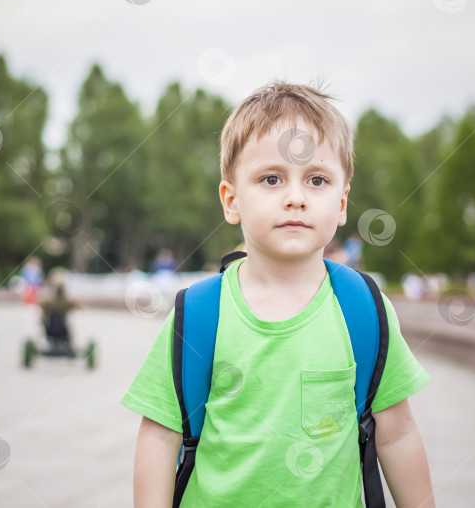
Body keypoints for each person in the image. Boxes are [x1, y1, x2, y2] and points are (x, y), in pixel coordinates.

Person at [122, 82, 434, 507]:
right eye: (271, 179)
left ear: (342, 204)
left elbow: (397, 434)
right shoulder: (198, 314)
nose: (295, 198)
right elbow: (160, 434)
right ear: (231, 200)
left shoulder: (362, 310)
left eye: (317, 180)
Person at [39, 283, 77, 357]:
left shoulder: (48, 303)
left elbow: (41, 304)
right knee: (68, 330)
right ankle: (69, 348)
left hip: (49, 331)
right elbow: (76, 306)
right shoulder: (66, 303)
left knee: (46, 323)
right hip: (63, 332)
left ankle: (53, 346)